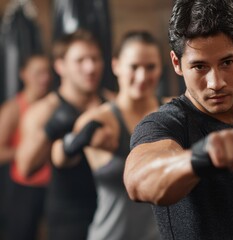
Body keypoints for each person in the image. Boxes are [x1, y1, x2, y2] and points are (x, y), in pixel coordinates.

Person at [123, 0, 233, 239]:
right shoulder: (166, 123)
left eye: (227, 62)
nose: (216, 82)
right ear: (177, 64)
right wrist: (202, 156)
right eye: (199, 67)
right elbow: (139, 179)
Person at [51, 31, 162, 240]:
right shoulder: (101, 119)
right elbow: (59, 156)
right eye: (134, 67)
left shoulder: (171, 112)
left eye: (150, 67)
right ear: (116, 65)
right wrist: (75, 142)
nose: (142, 76)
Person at [15, 29, 106, 240]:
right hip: (68, 218)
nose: (90, 67)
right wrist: (51, 129)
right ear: (60, 66)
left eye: (95, 59)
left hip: (111, 211)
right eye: (81, 60)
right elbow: (25, 167)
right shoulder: (43, 111)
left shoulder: (111, 104)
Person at [0, 54, 51, 240]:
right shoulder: (13, 109)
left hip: (54, 187)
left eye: (47, 72)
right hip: (25, 189)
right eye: (38, 73)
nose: (45, 78)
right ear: (24, 74)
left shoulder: (54, 104)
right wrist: (27, 150)